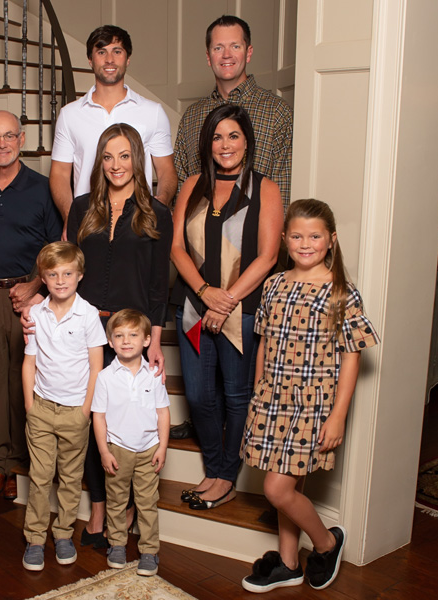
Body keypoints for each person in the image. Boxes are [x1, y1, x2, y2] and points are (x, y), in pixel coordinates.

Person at [240, 199, 379, 593]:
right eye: (297, 236)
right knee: (291, 488)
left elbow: (352, 358)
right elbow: (264, 342)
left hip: (313, 404)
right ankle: (288, 563)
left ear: (331, 240)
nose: (306, 243)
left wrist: (338, 416)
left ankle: (326, 543)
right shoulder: (274, 284)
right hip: (272, 398)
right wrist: (257, 394)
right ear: (284, 240)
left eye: (315, 236)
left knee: (277, 489)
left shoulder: (341, 293)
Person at [54, 122, 173, 547]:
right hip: (85, 332)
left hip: (130, 336)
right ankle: (100, 513)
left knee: (127, 421)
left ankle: (125, 512)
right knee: (90, 421)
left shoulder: (157, 213)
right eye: (108, 157)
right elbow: (66, 270)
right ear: (99, 162)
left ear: (137, 160)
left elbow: (159, 283)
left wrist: (155, 339)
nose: (116, 165)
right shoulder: (81, 207)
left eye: (125, 156)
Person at [170, 105, 283, 510]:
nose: (225, 144)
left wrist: (226, 299)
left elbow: (268, 256)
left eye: (233, 135)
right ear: (208, 143)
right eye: (217, 137)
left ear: (246, 140)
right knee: (200, 397)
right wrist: (205, 292)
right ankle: (215, 469)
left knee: (237, 396)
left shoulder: (265, 189)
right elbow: (176, 247)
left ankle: (226, 478)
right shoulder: (193, 185)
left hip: (243, 308)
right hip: (195, 309)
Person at [0, 110, 63, 499]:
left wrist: (36, 286)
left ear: (21, 139)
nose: (1, 144)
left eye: (8, 136)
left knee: (31, 380)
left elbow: (57, 248)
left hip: (31, 296)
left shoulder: (42, 187)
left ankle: (22, 463)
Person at [21, 242, 106, 572]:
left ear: (79, 276)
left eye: (67, 273)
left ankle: (64, 534)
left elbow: (96, 366)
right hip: (41, 408)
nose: (60, 280)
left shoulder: (87, 315)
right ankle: (35, 539)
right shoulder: (36, 315)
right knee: (40, 477)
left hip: (75, 412)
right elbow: (29, 363)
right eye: (53, 274)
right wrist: (30, 405)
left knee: (70, 479)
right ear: (42, 278)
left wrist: (86, 410)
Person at [50, 24, 176, 226]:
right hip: (87, 222)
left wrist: (158, 208)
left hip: (137, 223)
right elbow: (59, 173)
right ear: (90, 60)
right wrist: (69, 216)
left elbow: (166, 171)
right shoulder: (69, 115)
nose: (109, 59)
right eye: (102, 52)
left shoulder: (153, 112)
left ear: (127, 59)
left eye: (117, 51)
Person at [174, 15, 293, 209]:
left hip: (255, 234)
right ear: (208, 56)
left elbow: (283, 193)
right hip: (199, 233)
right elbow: (182, 184)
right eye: (218, 48)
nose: (226, 55)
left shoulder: (277, 112)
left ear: (248, 52)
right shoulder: (192, 116)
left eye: (235, 46)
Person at [92, 309, 170, 577]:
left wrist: (162, 447)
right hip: (118, 450)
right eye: (119, 335)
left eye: (133, 335)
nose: (126, 340)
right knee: (116, 501)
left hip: (149, 449)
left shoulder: (154, 374)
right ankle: (116, 545)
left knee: (148, 502)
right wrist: (103, 450)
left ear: (146, 340)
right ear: (110, 342)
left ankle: (149, 550)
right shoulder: (105, 377)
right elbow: (98, 417)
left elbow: (163, 413)